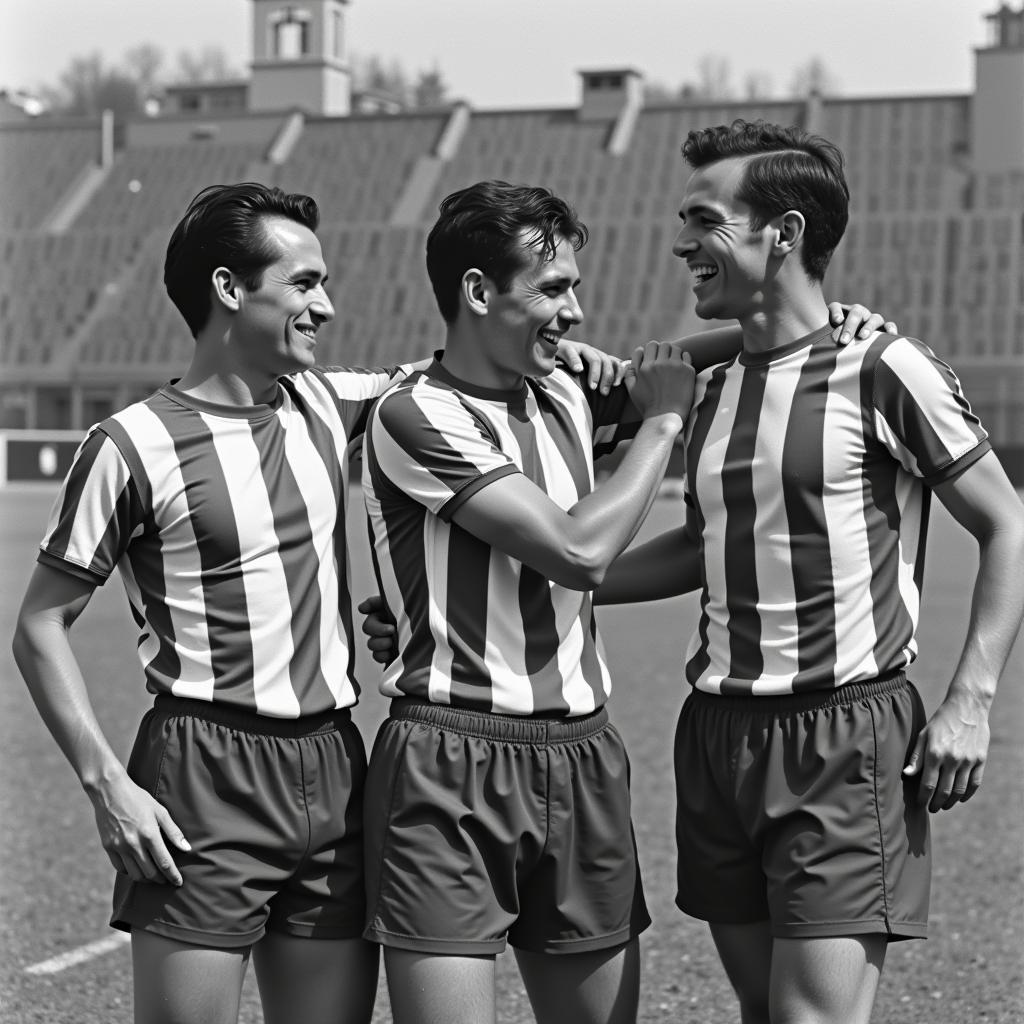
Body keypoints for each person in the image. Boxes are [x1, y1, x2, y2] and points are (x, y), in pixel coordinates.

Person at [8, 181, 621, 1024]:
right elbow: (39, 624)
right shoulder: (127, 445)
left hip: (335, 771)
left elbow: (478, 363)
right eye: (303, 284)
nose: (326, 305)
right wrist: (106, 784)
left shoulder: (336, 404)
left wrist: (807, 328)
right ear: (229, 289)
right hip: (203, 770)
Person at [356, 179, 893, 1024]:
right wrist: (662, 425)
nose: (574, 314)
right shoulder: (414, 413)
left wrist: (838, 323)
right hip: (447, 761)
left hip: (581, 758)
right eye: (553, 290)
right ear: (476, 292)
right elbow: (578, 549)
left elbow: (691, 358)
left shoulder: (568, 390)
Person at [591, 120, 1024, 1024]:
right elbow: (705, 543)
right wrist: (567, 580)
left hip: (842, 735)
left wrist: (971, 699)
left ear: (782, 234)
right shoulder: (707, 386)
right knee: (763, 1011)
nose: (680, 244)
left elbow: (1006, 523)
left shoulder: (883, 366)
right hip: (716, 737)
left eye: (704, 221)